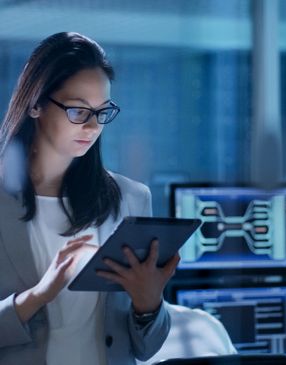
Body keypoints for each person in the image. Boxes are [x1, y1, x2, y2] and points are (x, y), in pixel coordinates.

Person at [0, 32, 180, 365]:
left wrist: (149, 305)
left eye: (103, 111)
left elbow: (147, 349)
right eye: (78, 111)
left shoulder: (131, 198)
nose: (93, 126)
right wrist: (38, 296)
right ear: (35, 103)